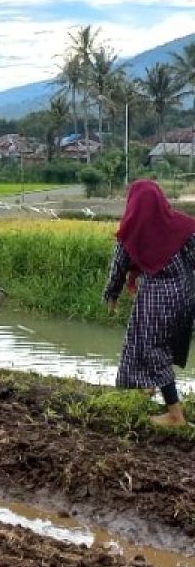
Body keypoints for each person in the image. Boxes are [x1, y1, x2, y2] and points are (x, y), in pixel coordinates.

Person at [104, 180, 195, 426]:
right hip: (185, 295)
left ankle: (175, 415)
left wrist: (111, 295)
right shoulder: (182, 226)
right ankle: (148, 387)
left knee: (154, 350)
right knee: (158, 342)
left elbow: (118, 266)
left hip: (157, 296)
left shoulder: (131, 230)